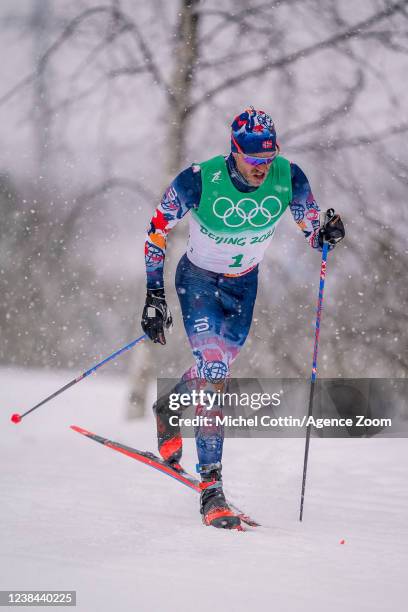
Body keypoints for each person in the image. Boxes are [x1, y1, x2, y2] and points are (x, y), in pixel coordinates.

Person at [141, 106, 345, 529]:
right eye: (253, 159)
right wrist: (154, 293)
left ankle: (168, 407)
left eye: (267, 159)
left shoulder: (289, 177)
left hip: (243, 286)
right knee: (214, 370)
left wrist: (325, 233)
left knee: (213, 368)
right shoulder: (199, 179)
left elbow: (311, 229)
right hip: (198, 281)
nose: (261, 168)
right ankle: (211, 489)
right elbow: (157, 230)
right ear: (234, 150)